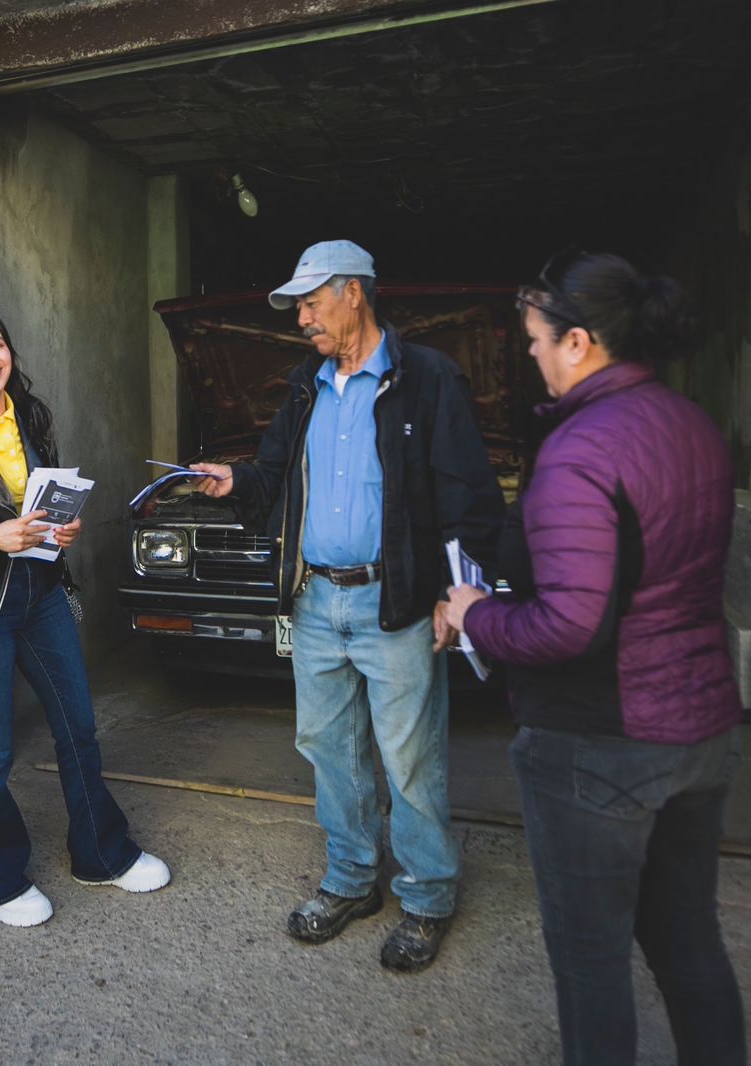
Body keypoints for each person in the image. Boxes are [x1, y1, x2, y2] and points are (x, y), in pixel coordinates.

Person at [443, 250, 744, 1064]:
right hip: (702, 732)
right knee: (688, 943)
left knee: (591, 960)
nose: (531, 355)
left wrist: (478, 615)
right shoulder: (692, 423)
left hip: (601, 743)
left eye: (536, 339)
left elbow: (570, 626)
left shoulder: (581, 450)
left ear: (578, 341)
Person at [193, 240, 504, 972]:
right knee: (331, 752)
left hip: (394, 600)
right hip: (316, 600)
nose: (301, 318)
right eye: (298, 306)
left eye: (310, 301)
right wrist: (234, 482)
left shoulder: (426, 378)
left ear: (355, 293)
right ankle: (352, 880)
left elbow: (466, 494)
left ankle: (427, 896)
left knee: (409, 756)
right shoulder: (307, 385)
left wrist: (454, 593)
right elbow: (273, 474)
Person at [0, 306, 170, 927]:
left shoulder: (33, 418)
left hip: (40, 592)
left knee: (78, 728)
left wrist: (60, 528)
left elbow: (41, 501)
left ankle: (101, 853)